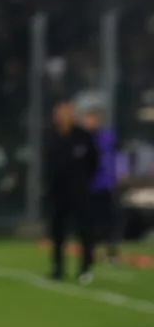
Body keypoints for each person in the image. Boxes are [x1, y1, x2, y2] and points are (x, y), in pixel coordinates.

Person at [45, 100, 99, 283]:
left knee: (84, 231)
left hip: (80, 192)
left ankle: (85, 268)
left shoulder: (83, 137)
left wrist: (83, 182)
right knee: (58, 231)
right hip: (58, 192)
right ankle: (58, 268)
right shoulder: (52, 136)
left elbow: (93, 163)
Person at [80, 108, 121, 265]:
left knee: (110, 221)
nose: (92, 122)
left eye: (94, 119)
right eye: (89, 119)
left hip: (105, 186)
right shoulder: (82, 139)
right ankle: (90, 253)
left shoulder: (106, 138)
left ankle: (112, 252)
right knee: (90, 223)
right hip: (88, 187)